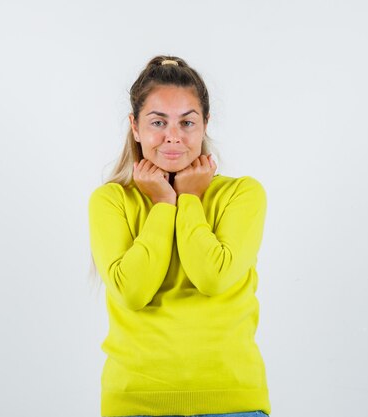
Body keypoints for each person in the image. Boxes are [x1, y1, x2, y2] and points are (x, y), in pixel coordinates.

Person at [88, 55, 271, 417]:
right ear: (135, 127)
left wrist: (188, 198)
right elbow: (132, 290)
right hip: (135, 403)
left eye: (187, 122)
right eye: (158, 122)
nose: (173, 135)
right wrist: (162, 205)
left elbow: (213, 277)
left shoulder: (242, 194)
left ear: (205, 124)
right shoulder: (111, 200)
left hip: (232, 402)